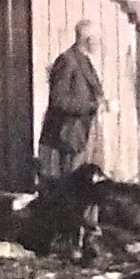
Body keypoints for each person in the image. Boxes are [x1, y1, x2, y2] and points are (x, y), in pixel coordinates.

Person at [39, 19, 105, 178]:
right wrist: (93, 105)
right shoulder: (67, 61)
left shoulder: (84, 60)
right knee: (72, 182)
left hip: (81, 133)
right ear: (88, 40)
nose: (99, 44)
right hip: (68, 135)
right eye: (98, 39)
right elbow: (59, 99)